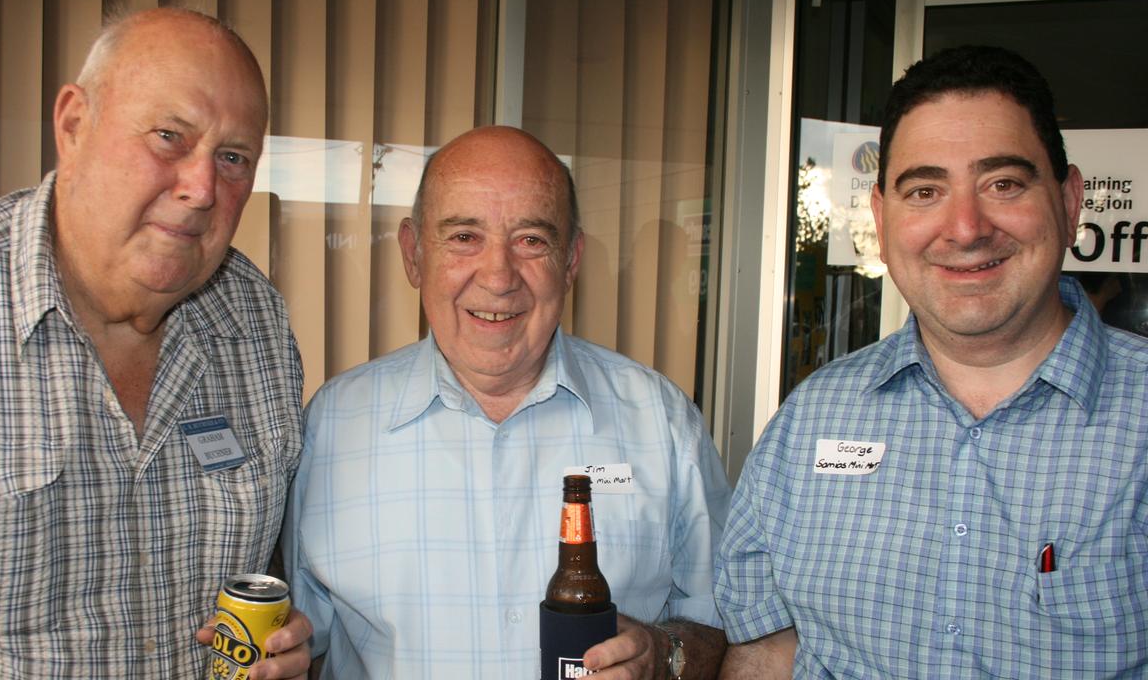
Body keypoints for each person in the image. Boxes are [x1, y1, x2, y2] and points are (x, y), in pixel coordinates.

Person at [0, 8, 312, 678]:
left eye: (233, 158)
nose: (200, 189)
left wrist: (286, 644)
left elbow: (266, 569)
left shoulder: (256, 322)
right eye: (169, 137)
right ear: (74, 124)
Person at [715, 45, 1148, 677]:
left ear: (1070, 199)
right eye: (925, 190)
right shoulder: (810, 420)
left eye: (1003, 184)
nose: (966, 227)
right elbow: (766, 651)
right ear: (884, 222)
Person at [284, 126, 732, 678]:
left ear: (571, 261)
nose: (498, 277)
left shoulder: (661, 421)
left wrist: (665, 657)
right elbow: (305, 637)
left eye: (531, 240)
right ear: (414, 253)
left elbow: (727, 631)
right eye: (464, 236)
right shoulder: (331, 426)